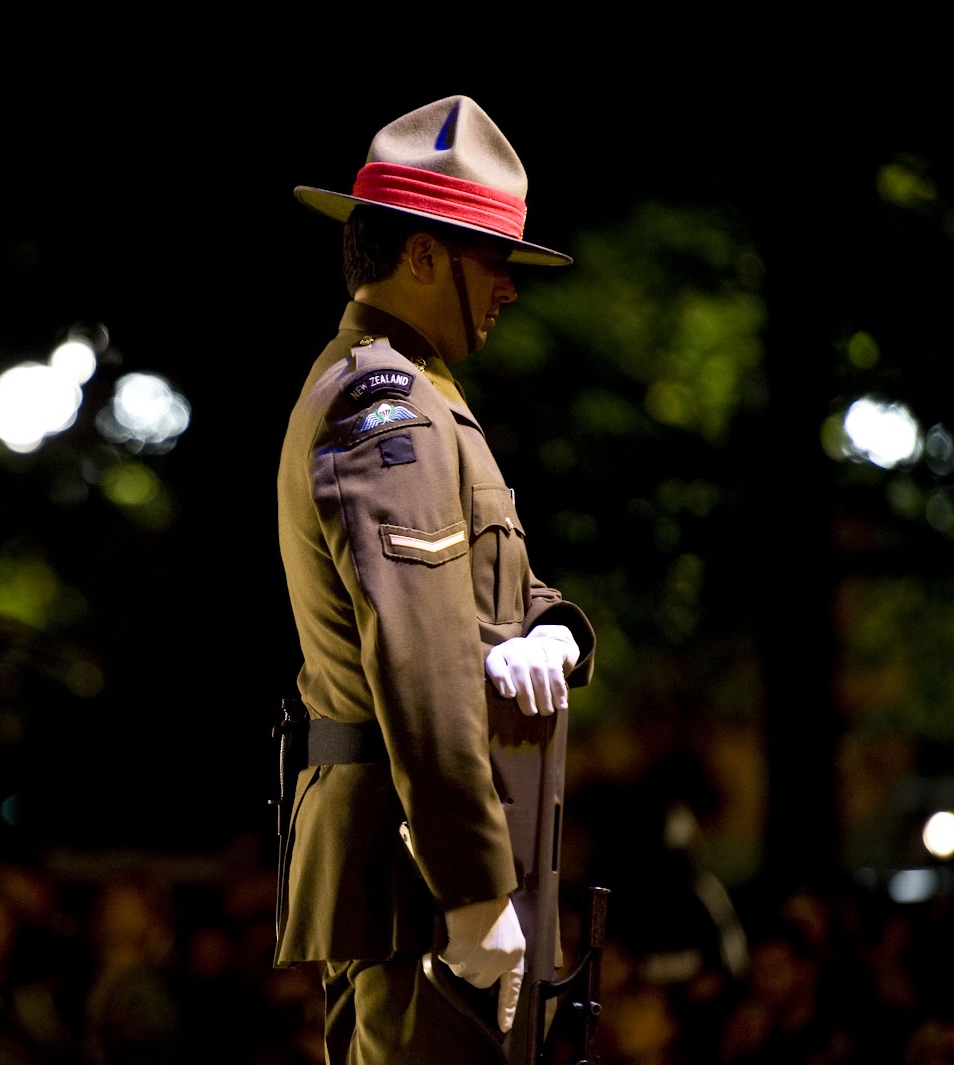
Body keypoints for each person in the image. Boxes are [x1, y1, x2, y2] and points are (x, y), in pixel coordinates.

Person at [273, 94, 598, 1064]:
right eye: (490, 261)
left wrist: (556, 632)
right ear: (420, 257)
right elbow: (418, 662)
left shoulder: (416, 394)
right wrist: (471, 891)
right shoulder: (391, 407)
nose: (506, 288)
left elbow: (497, 598)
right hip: (419, 879)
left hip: (421, 864)